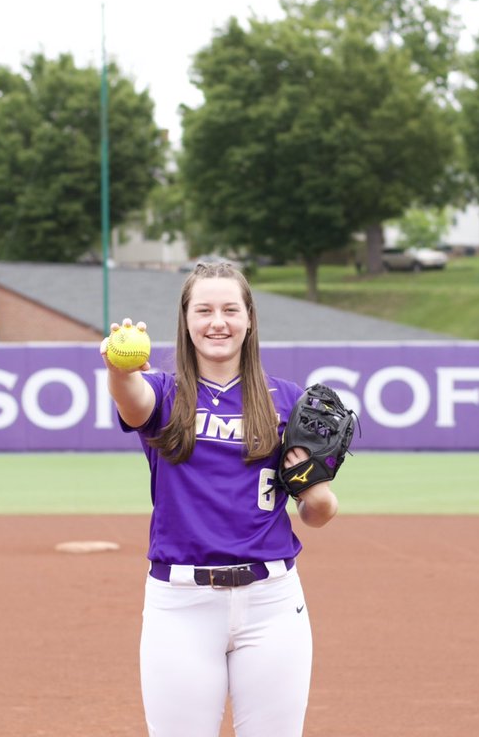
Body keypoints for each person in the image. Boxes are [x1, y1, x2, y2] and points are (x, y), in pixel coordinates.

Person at [101, 261, 339, 737]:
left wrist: (312, 487)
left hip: (272, 601)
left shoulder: (289, 401)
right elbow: (130, 398)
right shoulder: (163, 394)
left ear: (249, 319)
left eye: (231, 309)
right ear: (186, 321)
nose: (218, 322)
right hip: (180, 604)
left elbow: (319, 512)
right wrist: (118, 365)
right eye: (204, 310)